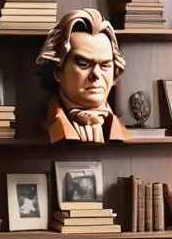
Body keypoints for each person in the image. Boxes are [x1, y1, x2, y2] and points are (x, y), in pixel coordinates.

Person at [36, 8, 130, 144]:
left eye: (105, 65)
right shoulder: (42, 128)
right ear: (57, 70)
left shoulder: (118, 129)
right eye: (84, 64)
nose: (96, 74)